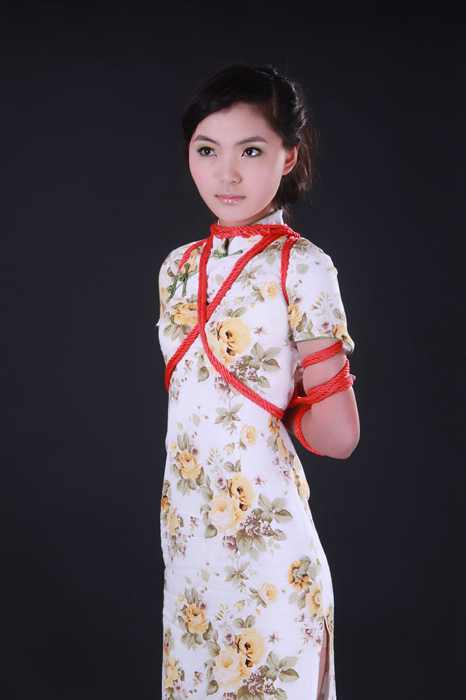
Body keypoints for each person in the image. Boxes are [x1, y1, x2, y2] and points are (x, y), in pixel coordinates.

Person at [156, 63, 360, 700]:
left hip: (269, 562)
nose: (227, 174)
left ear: (288, 156)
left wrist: (284, 406)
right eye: (207, 151)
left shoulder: (303, 267)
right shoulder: (175, 270)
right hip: (189, 560)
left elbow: (340, 437)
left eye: (250, 151)